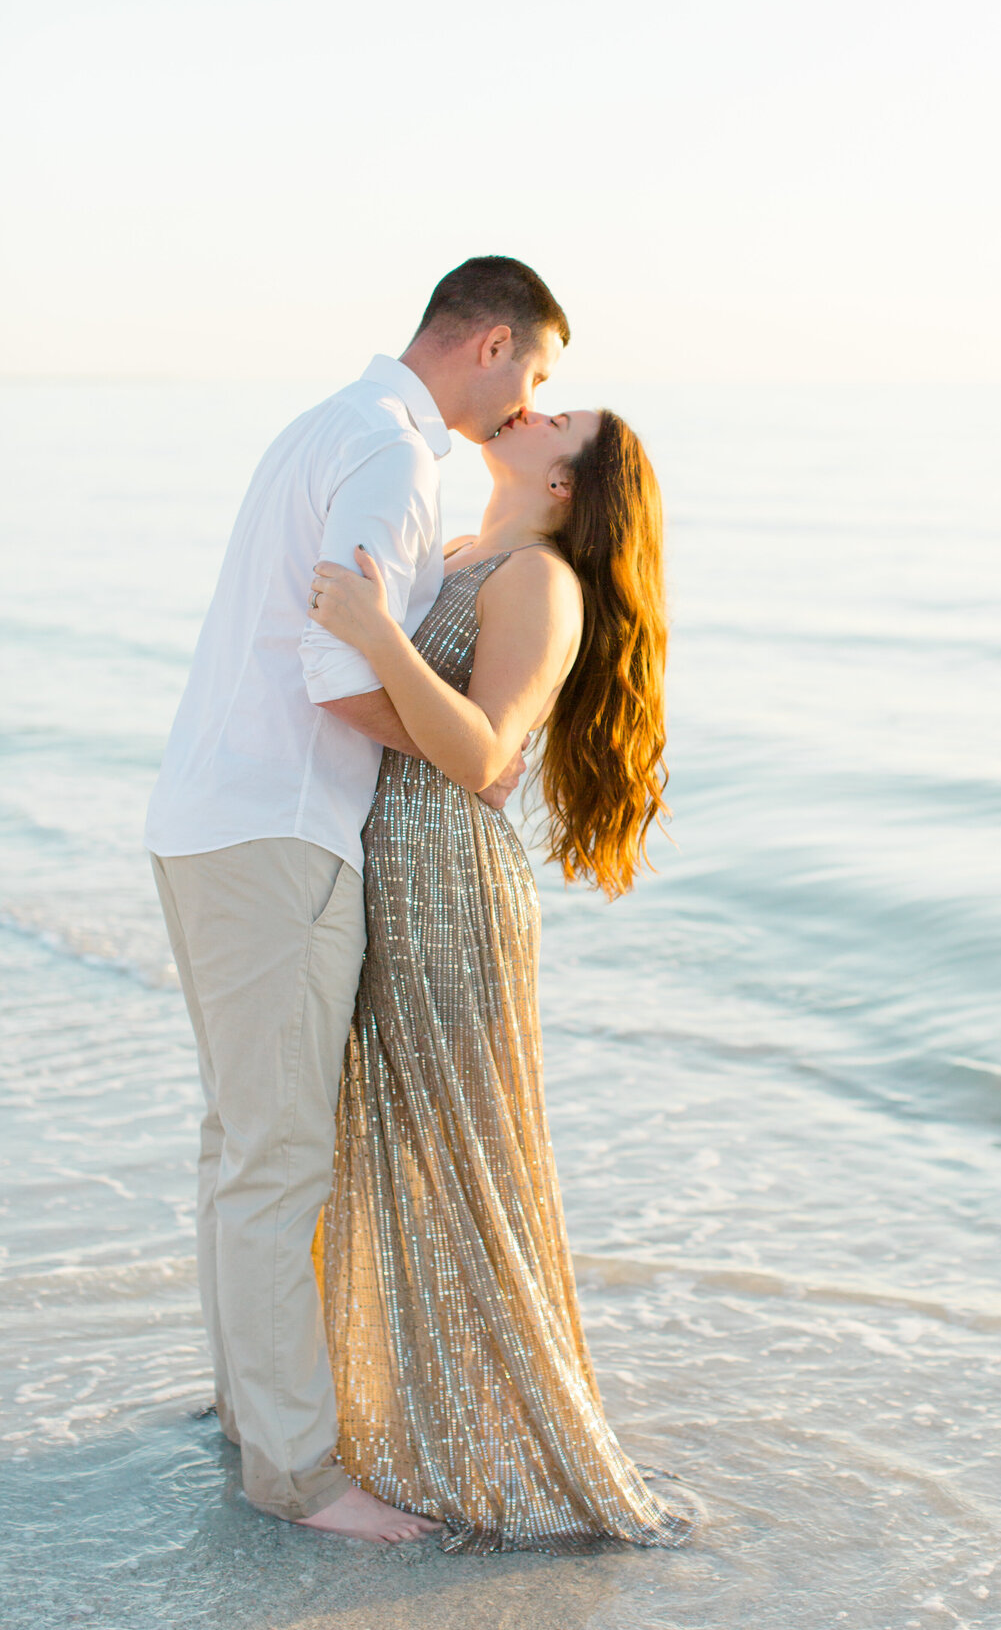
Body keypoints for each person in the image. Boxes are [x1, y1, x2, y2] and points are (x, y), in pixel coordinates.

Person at [145, 257, 568, 1542]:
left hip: (205, 814)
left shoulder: (323, 420)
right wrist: (464, 765)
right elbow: (340, 674)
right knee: (275, 1162)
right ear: (490, 343)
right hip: (281, 828)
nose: (528, 403)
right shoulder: (397, 457)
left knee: (239, 1146)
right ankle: (298, 1474)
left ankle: (248, 1413)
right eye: (536, 375)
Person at [307, 405, 694, 1551]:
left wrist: (378, 637)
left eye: (560, 417)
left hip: (448, 885)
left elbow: (482, 752)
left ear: (568, 482)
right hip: (386, 863)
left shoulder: (539, 579)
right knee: (379, 1148)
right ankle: (397, 1427)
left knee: (459, 1163)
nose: (536, 406)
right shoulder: (465, 555)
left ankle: (508, 1449)